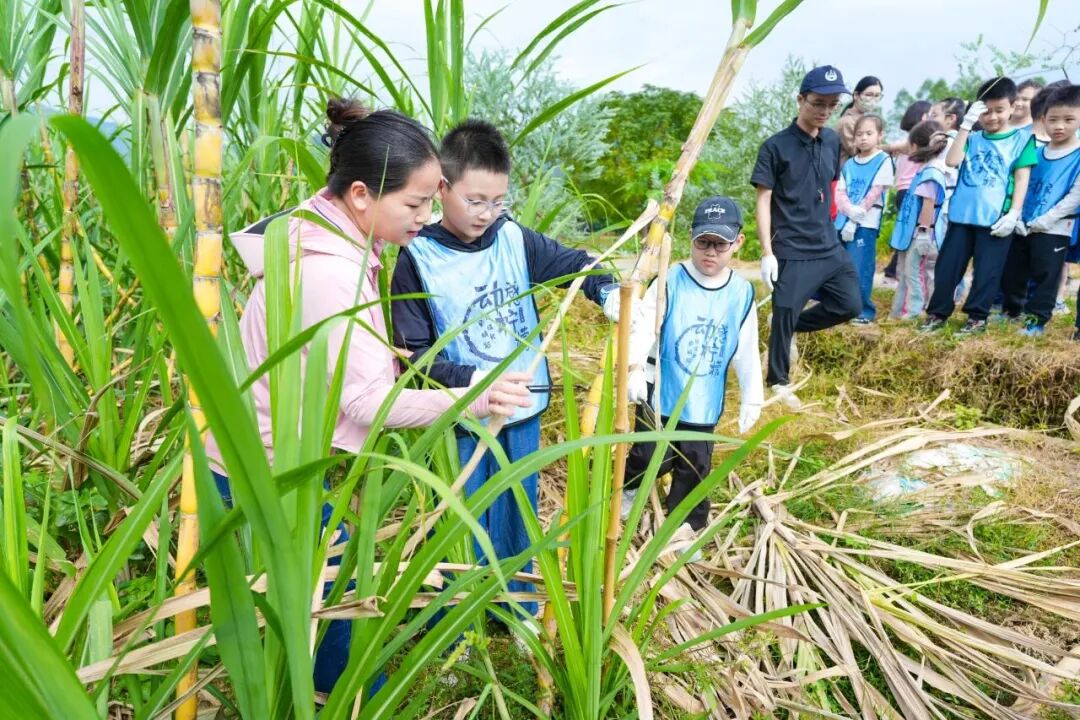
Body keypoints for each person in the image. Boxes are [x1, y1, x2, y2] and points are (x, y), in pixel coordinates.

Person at [205, 99, 532, 694]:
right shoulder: (331, 273)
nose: (427, 216)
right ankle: (355, 698)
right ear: (360, 194)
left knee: (319, 603)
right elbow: (367, 404)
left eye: (433, 200)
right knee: (334, 620)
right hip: (272, 473)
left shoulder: (322, 229)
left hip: (266, 456)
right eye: (415, 203)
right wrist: (477, 397)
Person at [390, 118, 619, 621]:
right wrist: (472, 383)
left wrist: (607, 291)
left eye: (498, 201)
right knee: (462, 516)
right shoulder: (417, 257)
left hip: (521, 409)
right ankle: (456, 619)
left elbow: (574, 263)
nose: (487, 214)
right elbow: (414, 352)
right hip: (461, 417)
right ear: (442, 188)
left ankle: (517, 611)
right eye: (475, 201)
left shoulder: (513, 237)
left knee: (518, 511)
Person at [620, 196, 763, 557]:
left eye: (720, 244)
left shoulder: (742, 293)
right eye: (703, 242)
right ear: (691, 238)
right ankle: (629, 489)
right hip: (660, 390)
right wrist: (634, 368)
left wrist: (752, 395)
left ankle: (685, 528)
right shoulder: (671, 279)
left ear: (738, 243)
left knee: (694, 467)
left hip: (703, 398)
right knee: (648, 454)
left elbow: (746, 347)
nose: (710, 252)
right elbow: (642, 327)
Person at [751, 65, 861, 409]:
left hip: (828, 244)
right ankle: (778, 382)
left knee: (850, 304)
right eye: (818, 103)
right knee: (785, 307)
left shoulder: (831, 141)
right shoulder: (775, 147)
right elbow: (763, 200)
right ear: (801, 99)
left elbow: (831, 185)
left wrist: (843, 217)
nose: (825, 111)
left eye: (832, 105)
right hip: (792, 246)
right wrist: (767, 251)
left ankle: (787, 326)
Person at [920, 77, 1038, 335]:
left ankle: (977, 317)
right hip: (962, 216)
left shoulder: (1021, 140)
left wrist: (1014, 213)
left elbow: (1022, 178)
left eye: (999, 110)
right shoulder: (972, 138)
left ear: (1012, 107)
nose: (992, 117)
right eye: (986, 111)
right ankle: (937, 313)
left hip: (995, 219)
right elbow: (952, 161)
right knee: (947, 268)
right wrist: (965, 125)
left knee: (987, 272)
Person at [1003, 85, 1080, 336]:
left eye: (1068, 120)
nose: (1059, 126)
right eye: (1053, 119)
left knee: (1047, 276)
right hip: (1024, 224)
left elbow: (1075, 196)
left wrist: (1048, 219)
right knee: (1014, 270)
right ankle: (1011, 312)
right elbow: (1020, 185)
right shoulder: (1035, 153)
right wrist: (1017, 216)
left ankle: (1036, 321)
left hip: (1055, 227)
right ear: (1043, 119)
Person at [835, 115, 894, 323]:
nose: (863, 138)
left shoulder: (883, 161)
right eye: (859, 134)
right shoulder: (850, 163)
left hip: (865, 224)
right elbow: (840, 192)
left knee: (860, 267)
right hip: (843, 221)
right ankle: (841, 307)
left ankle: (863, 311)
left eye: (869, 133)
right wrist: (848, 211)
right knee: (839, 266)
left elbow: (874, 193)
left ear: (880, 135)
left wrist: (855, 218)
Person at [889, 121, 950, 319]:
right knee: (909, 272)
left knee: (914, 272)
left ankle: (914, 313)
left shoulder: (931, 172)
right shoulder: (927, 169)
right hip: (914, 232)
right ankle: (900, 312)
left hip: (921, 233)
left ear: (915, 145)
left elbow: (928, 203)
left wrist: (924, 231)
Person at [883, 100, 933, 281]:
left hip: (902, 191)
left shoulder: (909, 140)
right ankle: (894, 271)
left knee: (906, 231)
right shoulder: (916, 141)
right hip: (911, 191)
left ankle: (893, 270)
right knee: (910, 233)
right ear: (924, 117)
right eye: (931, 114)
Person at [836, 76, 884, 164]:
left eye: (877, 96)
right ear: (856, 95)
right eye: (869, 95)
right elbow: (860, 152)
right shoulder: (847, 121)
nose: (873, 100)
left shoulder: (868, 120)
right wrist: (893, 147)